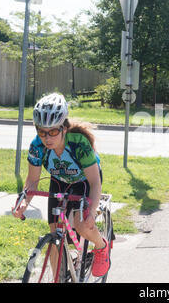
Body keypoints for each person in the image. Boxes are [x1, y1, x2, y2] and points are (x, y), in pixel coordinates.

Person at [12, 93, 110, 277]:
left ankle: (101, 246)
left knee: (82, 226)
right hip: (59, 181)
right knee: (55, 233)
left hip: (84, 181)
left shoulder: (78, 145)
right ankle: (59, 278)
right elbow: (32, 180)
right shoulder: (37, 146)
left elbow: (95, 182)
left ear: (64, 128)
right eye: (42, 132)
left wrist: (93, 209)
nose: (47, 138)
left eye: (53, 132)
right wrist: (24, 202)